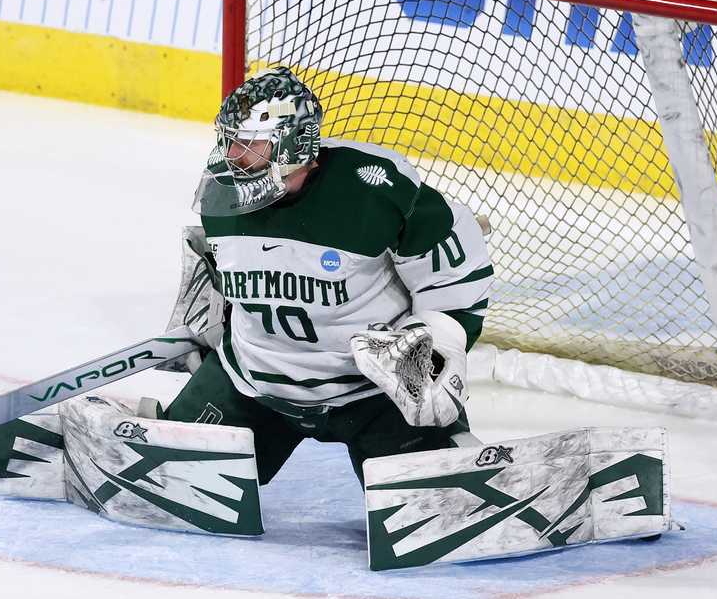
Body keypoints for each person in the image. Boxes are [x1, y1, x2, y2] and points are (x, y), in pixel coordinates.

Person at [165, 66, 493, 484]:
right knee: (173, 478)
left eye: (249, 144)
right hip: (252, 383)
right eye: (229, 141)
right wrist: (208, 324)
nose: (232, 157)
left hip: (374, 392)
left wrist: (438, 345)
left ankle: (448, 452)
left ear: (293, 145)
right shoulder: (221, 196)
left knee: (437, 499)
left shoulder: (373, 189)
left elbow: (452, 274)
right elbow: (229, 273)